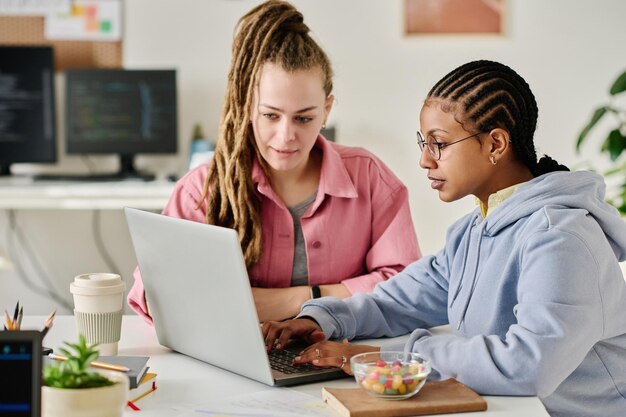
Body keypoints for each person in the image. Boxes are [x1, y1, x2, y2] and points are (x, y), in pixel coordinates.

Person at [262, 60, 626, 417]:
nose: (424, 160)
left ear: (496, 144)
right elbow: (399, 302)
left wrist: (386, 359)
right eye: (424, 142)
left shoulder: (559, 238)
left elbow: (529, 363)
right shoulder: (473, 232)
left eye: (438, 143)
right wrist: (320, 320)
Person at [127, 0, 420, 323]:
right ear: (248, 107)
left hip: (340, 357)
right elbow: (157, 296)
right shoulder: (204, 187)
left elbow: (406, 287)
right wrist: (339, 293)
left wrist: (301, 300)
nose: (285, 136)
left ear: (327, 110)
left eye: (304, 118)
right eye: (270, 115)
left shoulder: (369, 177)